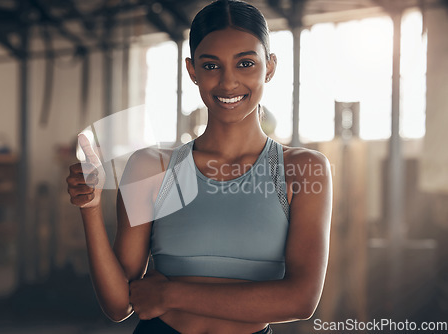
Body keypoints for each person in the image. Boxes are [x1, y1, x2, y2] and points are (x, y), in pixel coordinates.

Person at [66, 0, 332, 333]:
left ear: (270, 67)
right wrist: (90, 209)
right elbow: (120, 305)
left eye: (246, 63)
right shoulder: (151, 167)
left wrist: (172, 294)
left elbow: (301, 301)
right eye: (211, 66)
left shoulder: (302, 169)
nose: (228, 82)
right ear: (193, 72)